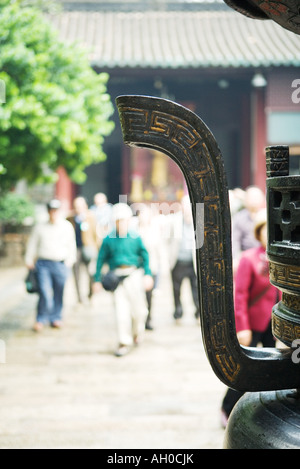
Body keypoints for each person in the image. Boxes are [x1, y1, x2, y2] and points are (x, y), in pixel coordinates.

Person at [221, 209, 281, 426]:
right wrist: (242, 326)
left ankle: (265, 411)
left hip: (274, 324)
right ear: (259, 232)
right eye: (266, 229)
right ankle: (228, 407)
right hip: (253, 322)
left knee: (274, 367)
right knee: (245, 367)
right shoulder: (249, 258)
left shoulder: (283, 256)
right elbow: (240, 295)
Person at [93, 203, 154, 357]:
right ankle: (123, 341)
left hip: (133, 275)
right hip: (116, 277)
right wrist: (97, 279)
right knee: (121, 312)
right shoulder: (108, 239)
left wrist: (148, 274)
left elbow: (145, 256)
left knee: (140, 311)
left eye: (124, 220)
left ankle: (137, 332)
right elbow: (100, 259)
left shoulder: (135, 237)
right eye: (119, 220)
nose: (122, 223)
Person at [25, 199, 77, 332]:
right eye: (51, 211)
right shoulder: (40, 227)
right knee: (44, 292)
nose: (53, 213)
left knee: (59, 292)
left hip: (60, 263)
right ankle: (40, 318)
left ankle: (56, 317)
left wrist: (70, 260)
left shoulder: (66, 226)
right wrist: (29, 259)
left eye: (55, 211)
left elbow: (71, 245)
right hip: (43, 263)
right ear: (48, 212)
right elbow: (32, 244)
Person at [168, 195, 199, 323]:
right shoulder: (173, 220)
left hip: (193, 262)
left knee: (196, 289)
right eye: (185, 205)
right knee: (176, 290)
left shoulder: (198, 220)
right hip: (178, 260)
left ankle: (198, 313)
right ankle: (178, 314)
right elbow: (167, 241)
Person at [68, 196, 99, 304]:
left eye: (80, 206)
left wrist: (96, 247)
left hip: (88, 248)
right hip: (75, 249)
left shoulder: (91, 217)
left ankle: (90, 293)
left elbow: (96, 233)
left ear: (85, 206)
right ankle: (79, 297)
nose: (78, 209)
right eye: (76, 206)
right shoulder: (70, 218)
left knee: (91, 273)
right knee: (76, 274)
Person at [231, 186, 265, 273]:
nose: (253, 200)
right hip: (246, 257)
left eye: (256, 197)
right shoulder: (239, 217)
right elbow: (235, 241)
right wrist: (235, 259)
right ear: (245, 200)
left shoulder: (266, 216)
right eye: (251, 197)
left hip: (264, 256)